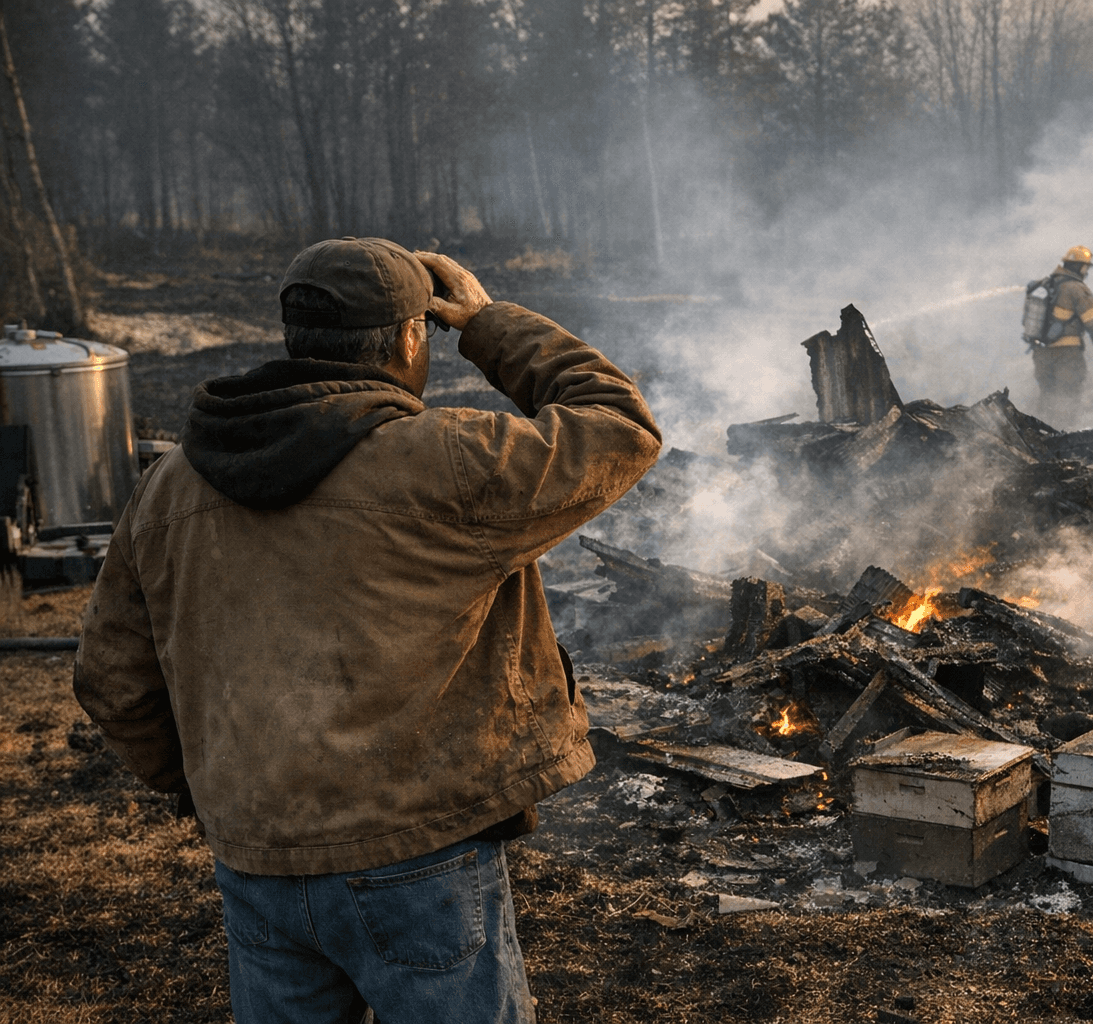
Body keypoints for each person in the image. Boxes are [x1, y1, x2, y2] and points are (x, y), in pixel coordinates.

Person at [72, 237, 662, 1023]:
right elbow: (620, 425)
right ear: (412, 338)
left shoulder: (168, 485)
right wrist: (487, 322)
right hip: (417, 858)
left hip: (258, 859)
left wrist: (219, 793)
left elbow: (110, 680)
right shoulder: (446, 460)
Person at [1030, 245, 1093, 427]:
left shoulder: (1046, 285)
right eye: (1086, 267)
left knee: (1047, 399)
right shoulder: (1076, 288)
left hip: (1041, 354)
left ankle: (1042, 442)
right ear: (1081, 267)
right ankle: (1064, 445)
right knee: (1066, 400)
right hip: (1067, 357)